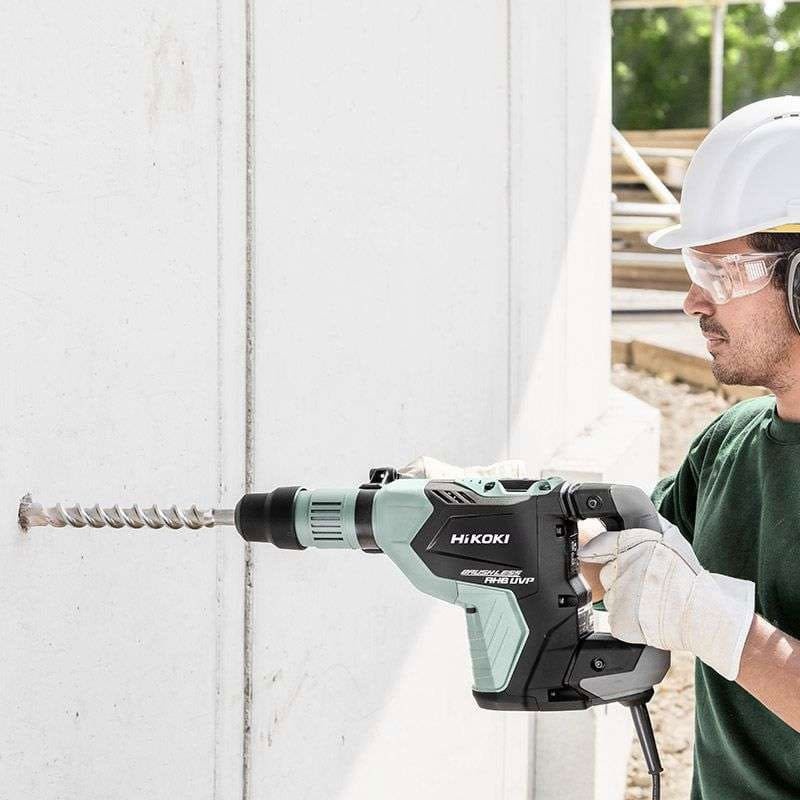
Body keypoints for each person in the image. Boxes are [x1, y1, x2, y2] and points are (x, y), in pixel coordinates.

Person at [579, 95, 800, 799]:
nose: (693, 302)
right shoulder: (728, 446)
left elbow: (688, 604)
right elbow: (620, 564)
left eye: (721, 274)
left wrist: (721, 628)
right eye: (694, 271)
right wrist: (506, 518)